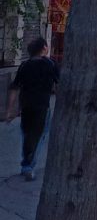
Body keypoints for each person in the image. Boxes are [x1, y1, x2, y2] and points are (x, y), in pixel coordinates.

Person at [4, 38, 58, 181]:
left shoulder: (24, 65)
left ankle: (26, 164)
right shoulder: (51, 64)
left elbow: (14, 88)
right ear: (44, 48)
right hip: (42, 106)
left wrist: (9, 111)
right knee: (38, 137)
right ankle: (28, 166)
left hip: (26, 107)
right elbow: (60, 85)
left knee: (27, 135)